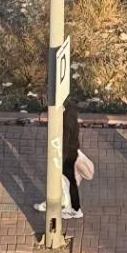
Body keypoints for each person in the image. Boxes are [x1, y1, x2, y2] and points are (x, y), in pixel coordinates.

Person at [36, 90, 88, 218]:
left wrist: (59, 157)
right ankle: (71, 207)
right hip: (69, 151)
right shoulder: (69, 111)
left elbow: (65, 138)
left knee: (65, 180)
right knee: (66, 180)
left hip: (65, 154)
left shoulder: (65, 117)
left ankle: (70, 207)